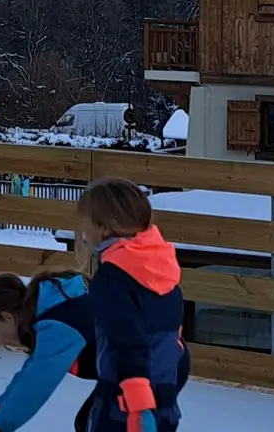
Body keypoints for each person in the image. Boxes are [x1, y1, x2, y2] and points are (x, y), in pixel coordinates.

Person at [76, 178, 188, 432]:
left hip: (124, 405)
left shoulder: (111, 278)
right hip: (164, 402)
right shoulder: (164, 270)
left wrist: (138, 407)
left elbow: (125, 342)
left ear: (103, 228)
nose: (83, 232)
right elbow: (177, 347)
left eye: (86, 223)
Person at [0, 270, 98, 432]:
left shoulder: (58, 323)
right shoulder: (50, 312)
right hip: (129, 370)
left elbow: (35, 385)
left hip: (136, 369)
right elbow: (28, 375)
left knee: (95, 424)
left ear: (7, 317)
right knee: (88, 422)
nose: (0, 341)